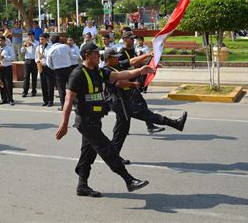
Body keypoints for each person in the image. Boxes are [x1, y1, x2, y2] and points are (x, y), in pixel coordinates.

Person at [55, 43, 151, 197]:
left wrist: (140, 70)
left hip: (95, 120)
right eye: (95, 53)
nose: (98, 56)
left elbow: (119, 75)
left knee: (88, 155)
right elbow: (68, 100)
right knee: (108, 149)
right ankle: (129, 180)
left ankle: (82, 186)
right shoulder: (77, 74)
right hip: (85, 122)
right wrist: (64, 124)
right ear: (87, 54)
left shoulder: (98, 72)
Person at [101, 48, 188, 164]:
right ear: (108, 59)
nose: (117, 58)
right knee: (144, 115)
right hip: (118, 102)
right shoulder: (106, 70)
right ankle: (175, 123)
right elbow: (118, 83)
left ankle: (112, 155)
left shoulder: (117, 65)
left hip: (124, 100)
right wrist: (132, 84)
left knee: (121, 129)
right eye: (115, 57)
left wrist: (147, 55)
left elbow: (132, 61)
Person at [118, 30, 165, 134]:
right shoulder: (121, 53)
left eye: (133, 38)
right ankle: (150, 126)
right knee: (140, 105)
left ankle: (122, 130)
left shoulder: (132, 50)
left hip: (131, 84)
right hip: (125, 85)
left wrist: (153, 64)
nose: (133, 40)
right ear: (125, 39)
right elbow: (132, 62)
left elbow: (138, 63)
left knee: (125, 110)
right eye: (131, 38)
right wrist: (148, 54)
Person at [47, 35, 72, 110]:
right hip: (68, 68)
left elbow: (49, 63)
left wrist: (54, 68)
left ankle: (64, 106)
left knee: (61, 89)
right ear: (59, 40)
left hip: (58, 71)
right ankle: (76, 104)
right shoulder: (66, 47)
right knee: (72, 87)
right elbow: (71, 56)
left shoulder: (50, 50)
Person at [0, 35, 16, 105]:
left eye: (1, 40)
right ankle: (4, 99)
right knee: (1, 83)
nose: (0, 42)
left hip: (7, 67)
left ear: (4, 41)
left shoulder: (9, 48)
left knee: (8, 84)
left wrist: (5, 57)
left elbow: (13, 57)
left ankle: (10, 99)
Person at [36, 33, 54, 107]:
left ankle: (50, 100)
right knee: (43, 84)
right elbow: (36, 56)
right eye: (40, 39)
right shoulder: (38, 47)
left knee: (50, 84)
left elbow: (52, 57)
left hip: (48, 67)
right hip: (41, 66)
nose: (41, 41)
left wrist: (44, 56)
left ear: (47, 39)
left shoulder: (50, 47)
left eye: (42, 39)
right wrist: (37, 61)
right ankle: (45, 100)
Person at [21, 31, 39, 97]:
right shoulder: (26, 42)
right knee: (26, 77)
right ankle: (25, 91)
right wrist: (24, 47)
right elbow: (22, 52)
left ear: (34, 36)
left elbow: (38, 51)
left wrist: (32, 45)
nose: (30, 37)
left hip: (34, 60)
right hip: (27, 61)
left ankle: (33, 91)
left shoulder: (37, 43)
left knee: (34, 77)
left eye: (31, 36)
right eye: (29, 36)